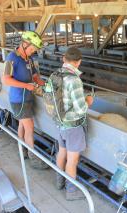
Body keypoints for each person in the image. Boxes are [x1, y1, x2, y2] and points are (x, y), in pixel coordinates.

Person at [55, 47, 93, 200]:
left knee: (61, 152)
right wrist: (88, 101)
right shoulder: (74, 79)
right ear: (79, 62)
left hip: (59, 122)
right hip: (72, 125)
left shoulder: (55, 75)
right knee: (72, 160)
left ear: (64, 59)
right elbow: (81, 109)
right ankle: (71, 192)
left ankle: (59, 182)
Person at [2, 31, 45, 159]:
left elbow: (35, 76)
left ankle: (22, 150)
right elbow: (6, 80)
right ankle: (33, 157)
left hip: (27, 97)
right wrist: (26, 85)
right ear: (24, 44)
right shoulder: (11, 58)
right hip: (18, 99)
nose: (33, 51)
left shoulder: (29, 59)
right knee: (30, 127)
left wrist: (46, 85)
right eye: (32, 49)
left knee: (22, 124)